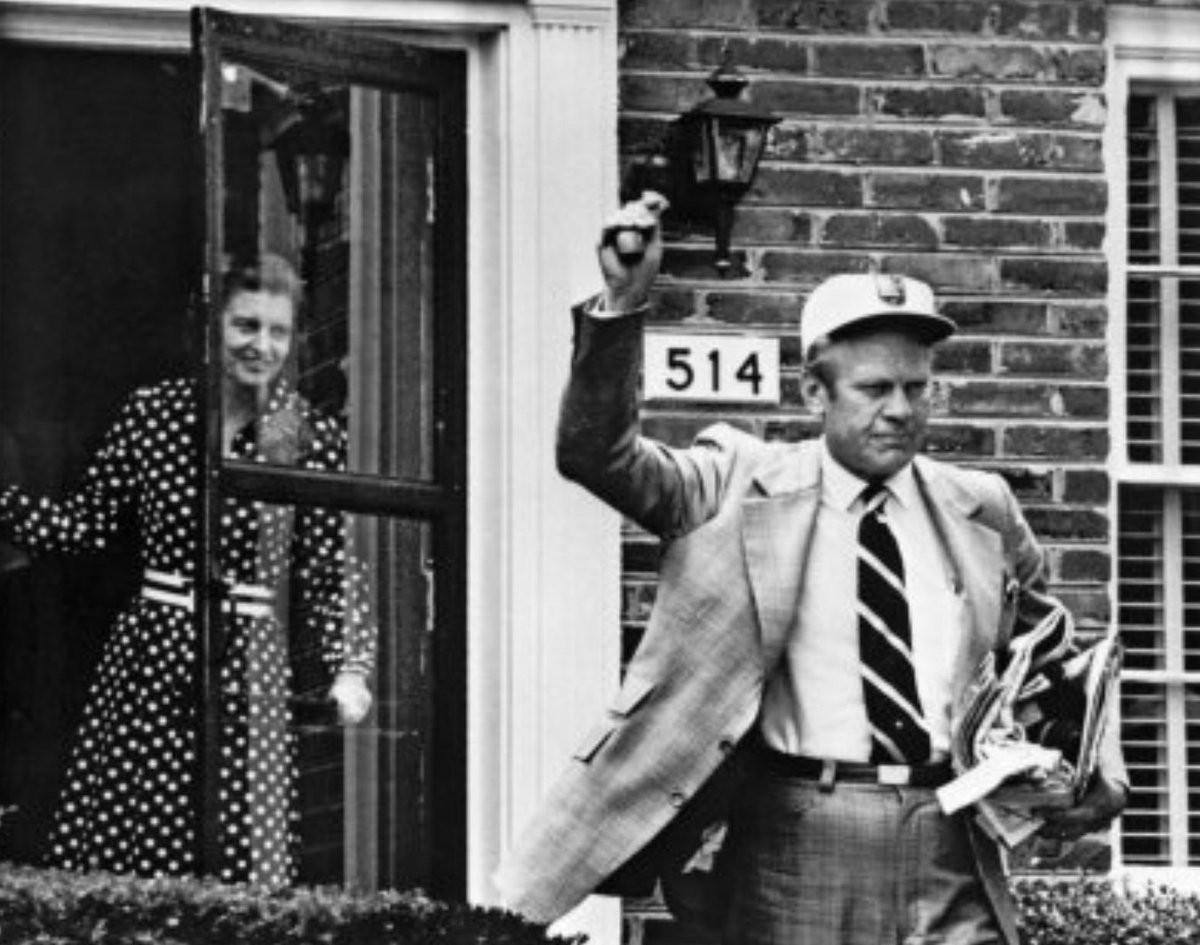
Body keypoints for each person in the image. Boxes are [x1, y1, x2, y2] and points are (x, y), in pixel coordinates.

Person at [494, 195, 1128, 944]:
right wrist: (623, 305)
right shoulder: (733, 482)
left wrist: (1098, 771)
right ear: (813, 393)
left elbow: (1057, 663)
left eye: (916, 387)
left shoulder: (980, 509)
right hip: (798, 834)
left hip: (954, 838)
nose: (900, 410)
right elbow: (597, 456)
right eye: (874, 389)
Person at [0, 254, 376, 887]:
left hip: (250, 659)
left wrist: (352, 667)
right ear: (211, 327)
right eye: (245, 326)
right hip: (153, 650)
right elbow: (86, 526)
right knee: (141, 839)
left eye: (277, 332)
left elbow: (331, 563)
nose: (262, 346)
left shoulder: (306, 435)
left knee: (239, 843)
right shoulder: (154, 413)